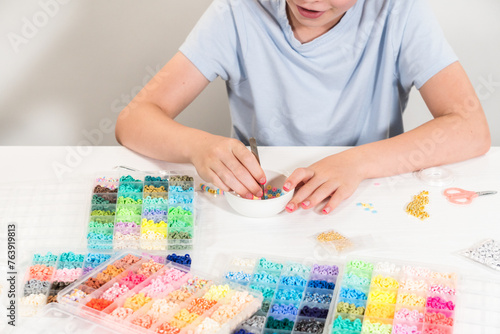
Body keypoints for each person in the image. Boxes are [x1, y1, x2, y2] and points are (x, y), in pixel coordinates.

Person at [115, 0, 490, 215]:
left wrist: (357, 162)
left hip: (366, 199)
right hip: (260, 206)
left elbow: (470, 129)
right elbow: (135, 119)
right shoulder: (236, 12)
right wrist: (196, 146)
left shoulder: (399, 12)